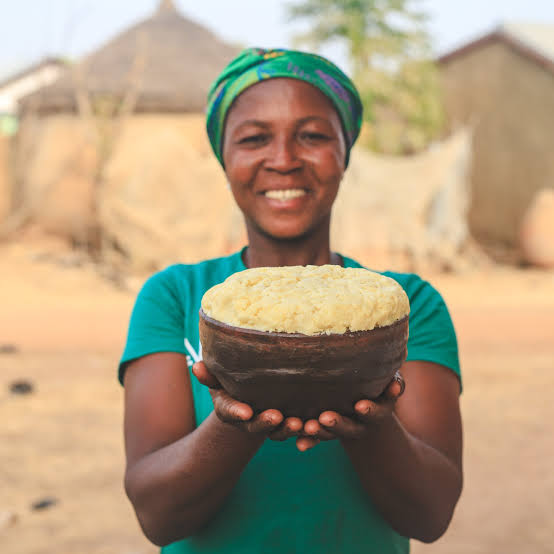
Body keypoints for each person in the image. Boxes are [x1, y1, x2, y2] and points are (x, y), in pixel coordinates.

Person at [119, 48, 463, 554]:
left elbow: (431, 516)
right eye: (255, 138)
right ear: (224, 158)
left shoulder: (406, 305)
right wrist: (234, 420)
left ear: (345, 152)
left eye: (313, 136)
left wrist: (373, 425)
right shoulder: (178, 297)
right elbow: (157, 517)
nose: (283, 160)